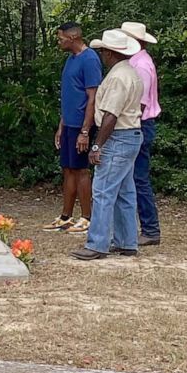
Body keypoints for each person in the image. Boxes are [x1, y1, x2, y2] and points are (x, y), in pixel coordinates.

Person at [72, 29, 143, 261]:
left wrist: (97, 146)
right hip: (132, 133)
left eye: (103, 51)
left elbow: (111, 115)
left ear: (110, 53)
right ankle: (126, 241)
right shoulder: (131, 73)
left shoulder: (116, 78)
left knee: (102, 191)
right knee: (124, 191)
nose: (102, 55)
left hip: (118, 136)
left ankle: (97, 244)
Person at [44, 22, 102, 233]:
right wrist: (62, 125)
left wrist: (85, 131)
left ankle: (87, 218)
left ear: (74, 37)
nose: (59, 42)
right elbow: (69, 96)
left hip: (82, 125)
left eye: (61, 38)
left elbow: (92, 98)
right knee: (68, 169)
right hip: (69, 124)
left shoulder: (90, 60)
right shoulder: (70, 60)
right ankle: (65, 216)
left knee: (81, 171)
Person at [120, 21, 161, 246]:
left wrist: (129, 126)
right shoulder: (139, 63)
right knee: (136, 178)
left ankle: (150, 228)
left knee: (138, 179)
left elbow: (141, 104)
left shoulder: (140, 66)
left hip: (139, 125)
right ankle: (146, 227)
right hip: (140, 124)